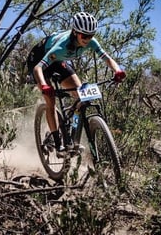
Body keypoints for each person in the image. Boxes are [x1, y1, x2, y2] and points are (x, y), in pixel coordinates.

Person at [27, 12, 126, 156]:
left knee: (81, 95)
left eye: (91, 35)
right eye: (84, 36)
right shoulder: (62, 46)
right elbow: (38, 68)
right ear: (75, 32)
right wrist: (44, 86)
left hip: (57, 61)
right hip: (38, 61)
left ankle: (71, 137)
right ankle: (57, 143)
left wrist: (118, 71)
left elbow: (107, 58)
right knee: (51, 100)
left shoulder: (91, 42)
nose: (87, 39)